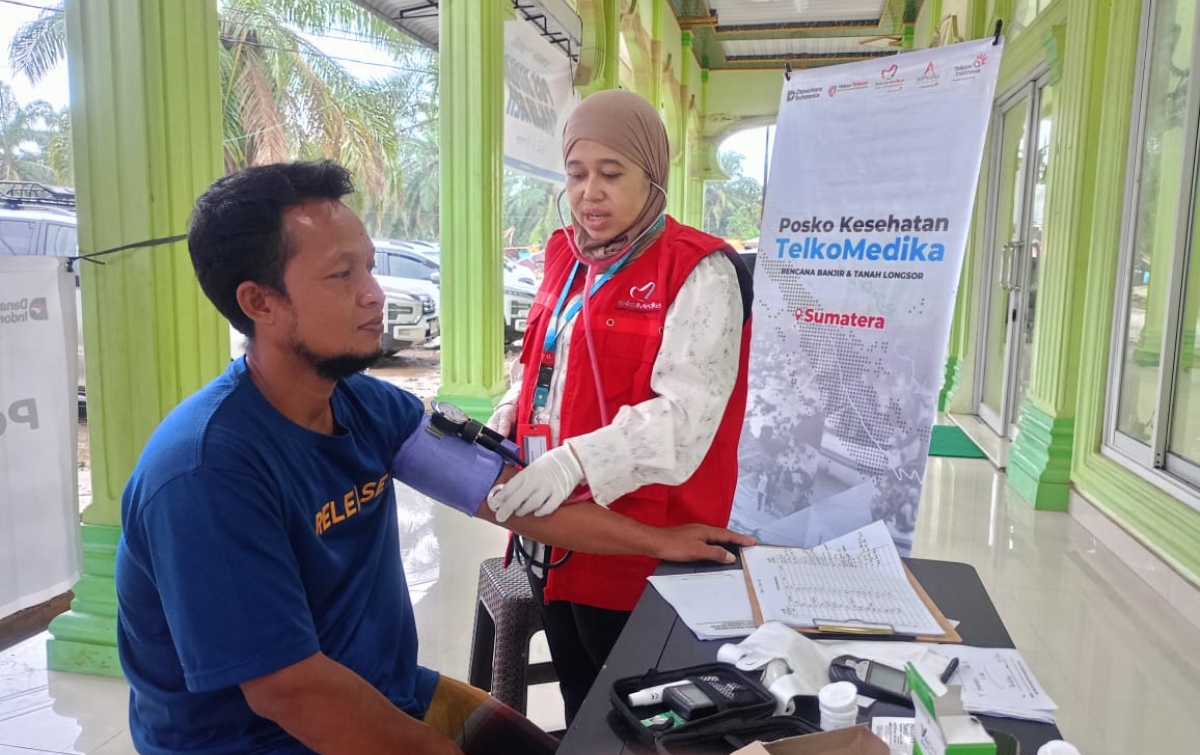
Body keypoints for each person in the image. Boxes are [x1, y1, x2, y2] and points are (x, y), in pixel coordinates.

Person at [113, 160, 754, 755]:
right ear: (260, 303)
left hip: (392, 690)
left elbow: (507, 496)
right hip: (260, 740)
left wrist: (660, 541)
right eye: (344, 275)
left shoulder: (367, 407)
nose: (375, 294)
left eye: (369, 267)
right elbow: (291, 690)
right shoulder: (206, 474)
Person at [486, 89, 754, 724]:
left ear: (652, 178)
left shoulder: (699, 270)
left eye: (612, 174)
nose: (590, 193)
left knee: (642, 715)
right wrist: (508, 412)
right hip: (556, 530)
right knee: (581, 698)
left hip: (646, 538)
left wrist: (573, 460)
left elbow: (686, 417)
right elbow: (542, 361)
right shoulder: (564, 256)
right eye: (577, 174)